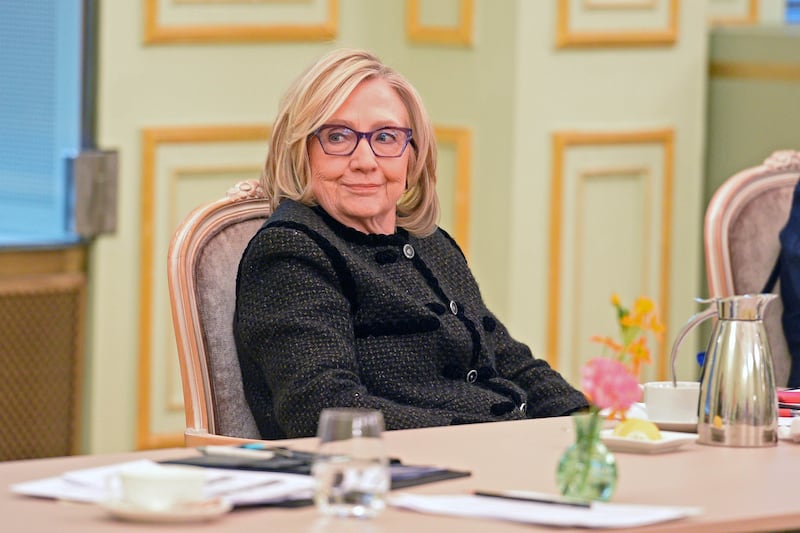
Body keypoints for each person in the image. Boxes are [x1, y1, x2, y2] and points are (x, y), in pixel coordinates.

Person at [233, 48, 588, 439]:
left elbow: (508, 360)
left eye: (385, 137)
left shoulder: (431, 244)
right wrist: (486, 436)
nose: (365, 160)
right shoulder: (291, 254)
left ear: (412, 155)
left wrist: (591, 425)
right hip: (402, 478)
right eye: (338, 136)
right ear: (302, 150)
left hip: (499, 455)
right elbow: (322, 408)